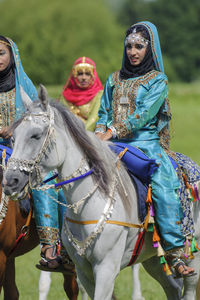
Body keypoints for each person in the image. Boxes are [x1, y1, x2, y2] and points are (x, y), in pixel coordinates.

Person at [95, 21, 195, 277]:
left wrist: (112, 131)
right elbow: (104, 111)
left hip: (146, 146)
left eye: (139, 46)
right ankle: (64, 246)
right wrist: (99, 132)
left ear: (149, 49)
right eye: (129, 46)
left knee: (163, 183)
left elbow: (144, 114)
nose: (133, 51)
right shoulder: (113, 79)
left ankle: (174, 252)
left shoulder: (158, 80)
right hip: (110, 144)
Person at [0, 36, 72, 272]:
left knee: (44, 180)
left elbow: (38, 117)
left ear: (12, 56)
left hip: (21, 150)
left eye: (1, 53)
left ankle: (50, 246)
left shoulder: (24, 85)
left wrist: (15, 128)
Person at [62, 56, 103, 131]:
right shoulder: (65, 94)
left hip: (89, 137)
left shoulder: (99, 95)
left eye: (87, 74)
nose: (84, 77)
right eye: (80, 74)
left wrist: (79, 136)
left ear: (93, 76)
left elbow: (93, 120)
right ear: (74, 75)